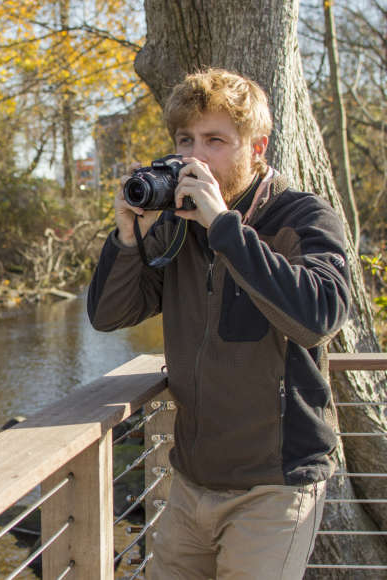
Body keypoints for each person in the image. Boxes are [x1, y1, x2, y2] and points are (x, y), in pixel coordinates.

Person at [87, 68, 351, 579]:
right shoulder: (176, 228)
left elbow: (317, 318)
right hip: (190, 482)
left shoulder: (304, 218)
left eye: (215, 141)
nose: (195, 156)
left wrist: (224, 227)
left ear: (257, 148)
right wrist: (127, 237)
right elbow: (108, 314)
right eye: (186, 140)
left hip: (275, 487)